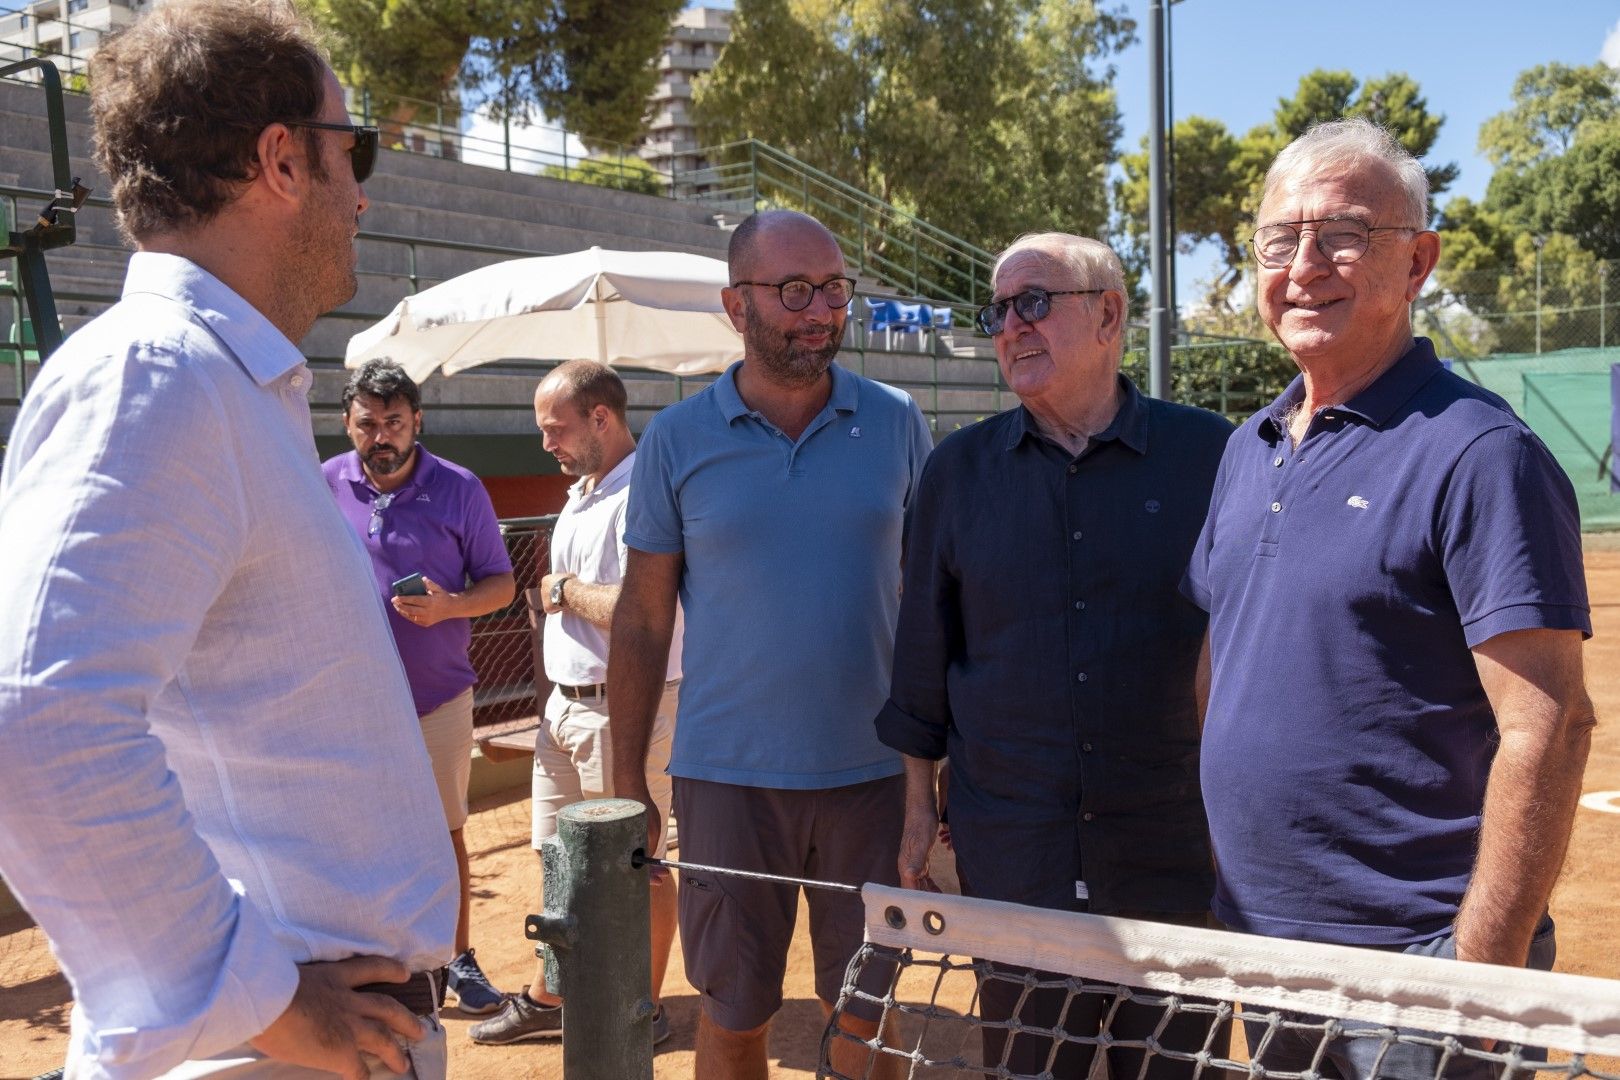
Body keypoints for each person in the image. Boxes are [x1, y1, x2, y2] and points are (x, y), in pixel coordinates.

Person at [0, 3, 459, 1077]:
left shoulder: (215, 381)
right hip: (275, 1048)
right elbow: (39, 720)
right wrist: (255, 1000)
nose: (362, 192)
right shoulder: (158, 374)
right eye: (353, 150)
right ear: (281, 160)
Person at [1183, 118, 1595, 1079]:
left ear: (1417, 263)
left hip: (1420, 972)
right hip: (1266, 951)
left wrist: (1481, 975)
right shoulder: (1247, 448)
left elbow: (1550, 726)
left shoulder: (1481, 453)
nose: (1304, 266)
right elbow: (1222, 659)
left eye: (1343, 235)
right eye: (1279, 240)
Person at [875, 232, 1234, 1078]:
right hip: (1015, 853)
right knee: (1029, 1065)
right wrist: (919, 806)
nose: (1010, 327)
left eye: (1034, 302)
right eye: (998, 311)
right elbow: (924, 648)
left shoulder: (1213, 455)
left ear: (1108, 315)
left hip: (1173, 849)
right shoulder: (957, 471)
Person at [607, 209, 934, 1080]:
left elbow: (933, 604)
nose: (820, 310)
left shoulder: (897, 421)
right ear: (735, 305)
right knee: (734, 1019)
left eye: (834, 289)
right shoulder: (677, 438)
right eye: (794, 290)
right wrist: (626, 776)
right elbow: (642, 618)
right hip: (726, 783)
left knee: (866, 1018)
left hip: (872, 779)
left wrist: (933, 774)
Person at [469, 360, 683, 1047]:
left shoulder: (643, 490)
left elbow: (640, 608)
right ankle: (553, 996)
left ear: (601, 417)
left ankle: (641, 1012)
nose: (546, 443)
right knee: (560, 861)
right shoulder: (584, 488)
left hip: (626, 710)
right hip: (565, 709)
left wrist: (561, 592)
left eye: (555, 428)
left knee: (637, 869)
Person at [323, 359, 516, 1016]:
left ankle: (457, 959)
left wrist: (449, 607)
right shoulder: (324, 482)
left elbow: (501, 584)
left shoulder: (459, 487)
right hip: (349, 703)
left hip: (437, 699)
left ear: (417, 421)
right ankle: (376, 961)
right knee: (356, 837)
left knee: (445, 832)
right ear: (347, 424)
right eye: (367, 423)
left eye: (394, 422)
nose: (381, 436)